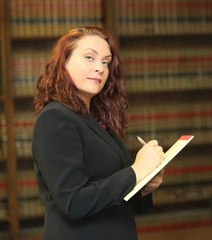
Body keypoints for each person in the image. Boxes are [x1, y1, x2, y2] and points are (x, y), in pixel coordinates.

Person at [31, 26, 164, 240]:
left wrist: (144, 185)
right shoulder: (55, 118)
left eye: (105, 62)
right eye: (89, 58)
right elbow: (74, 203)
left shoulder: (96, 119)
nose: (100, 68)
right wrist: (135, 171)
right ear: (64, 62)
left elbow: (115, 196)